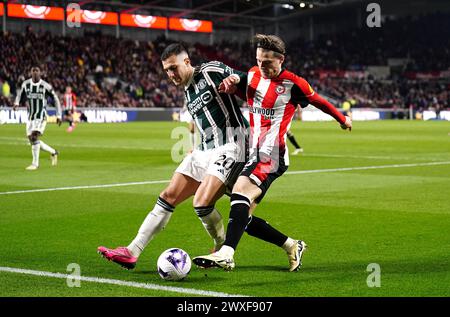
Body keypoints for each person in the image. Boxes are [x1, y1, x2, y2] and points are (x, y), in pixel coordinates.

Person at [193, 34, 352, 271]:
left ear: (281, 60)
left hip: (272, 154)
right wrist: (231, 85)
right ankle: (291, 245)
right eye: (258, 60)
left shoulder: (294, 83)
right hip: (254, 151)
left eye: (267, 62)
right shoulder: (254, 75)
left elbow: (319, 101)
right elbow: (243, 89)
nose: (262, 66)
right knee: (243, 216)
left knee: (239, 191)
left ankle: (226, 253)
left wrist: (342, 118)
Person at [13, 65, 62, 170]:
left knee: (34, 137)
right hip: (30, 117)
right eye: (33, 70)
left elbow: (56, 99)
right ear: (31, 72)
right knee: (32, 140)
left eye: (37, 70)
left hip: (41, 116)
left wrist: (59, 115)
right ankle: (54, 152)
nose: (35, 72)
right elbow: (19, 94)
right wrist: (16, 103)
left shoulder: (46, 86)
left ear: (40, 73)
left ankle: (35, 164)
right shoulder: (26, 84)